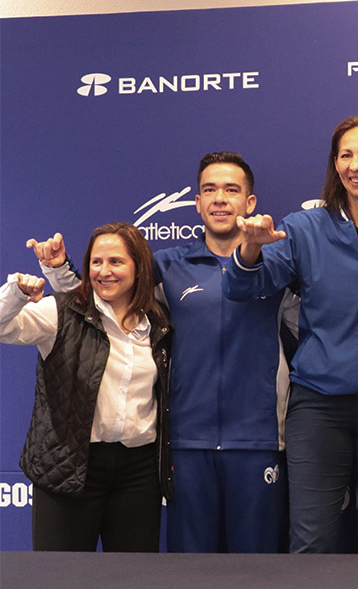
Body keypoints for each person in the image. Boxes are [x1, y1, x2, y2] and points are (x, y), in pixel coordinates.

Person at [28, 152, 297, 553]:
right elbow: (102, 302)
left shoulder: (277, 266)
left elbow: (316, 326)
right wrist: (60, 273)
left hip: (256, 441)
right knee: (188, 571)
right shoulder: (167, 266)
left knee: (257, 568)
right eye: (209, 190)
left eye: (231, 190)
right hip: (184, 443)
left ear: (250, 203)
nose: (220, 198)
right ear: (199, 203)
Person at [223, 116, 358, 553]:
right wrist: (251, 248)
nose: (356, 165)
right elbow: (241, 287)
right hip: (318, 405)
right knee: (311, 540)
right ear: (335, 164)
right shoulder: (303, 228)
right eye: (346, 155)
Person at [1, 222, 172, 551]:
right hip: (68, 467)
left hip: (138, 475)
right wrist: (16, 293)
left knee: (133, 579)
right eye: (96, 262)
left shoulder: (159, 321)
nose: (104, 271)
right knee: (60, 579)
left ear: (139, 268)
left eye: (116, 262)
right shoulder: (61, 312)